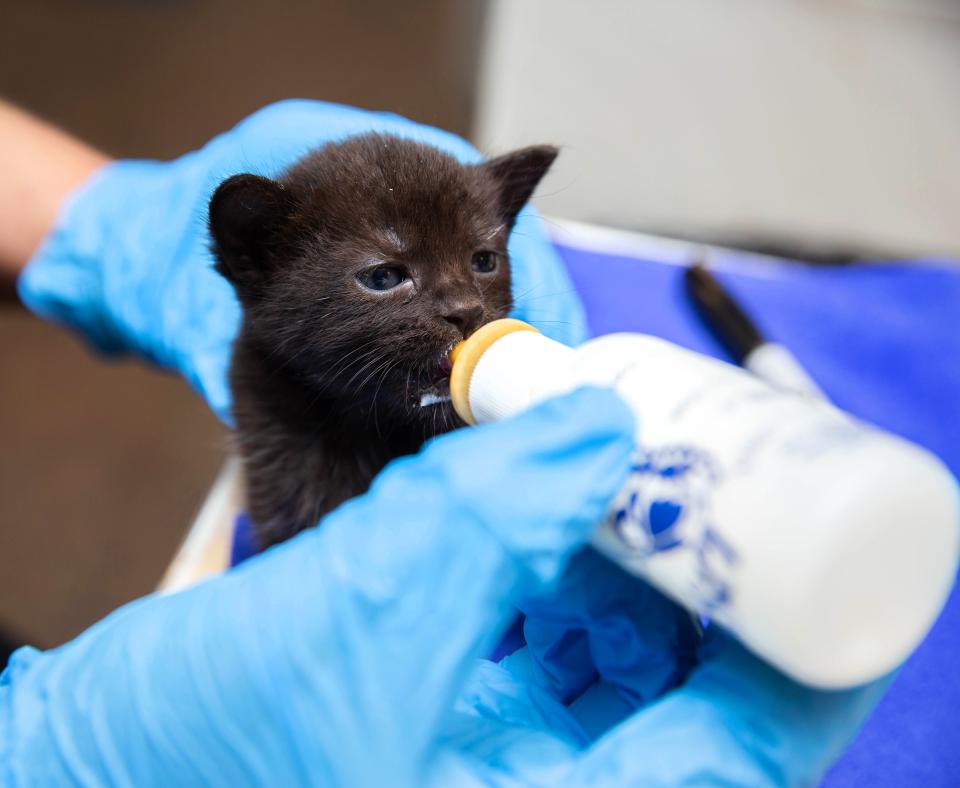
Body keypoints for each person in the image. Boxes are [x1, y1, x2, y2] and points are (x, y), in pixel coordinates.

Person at [0, 99, 886, 785]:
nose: (464, 303)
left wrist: (100, 215)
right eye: (387, 276)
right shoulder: (276, 368)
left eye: (484, 261)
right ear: (257, 257)